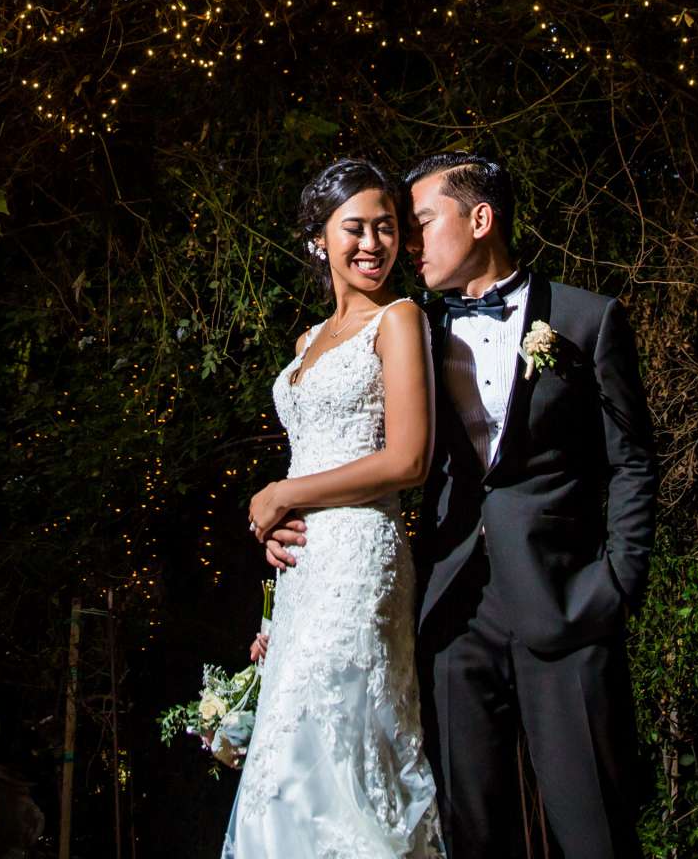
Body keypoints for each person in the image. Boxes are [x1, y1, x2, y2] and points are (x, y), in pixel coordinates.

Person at [267, 151, 655, 857]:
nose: (407, 247)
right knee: (469, 835)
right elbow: (351, 449)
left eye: (418, 225)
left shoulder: (586, 320)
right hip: (451, 614)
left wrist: (619, 581)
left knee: (595, 828)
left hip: (565, 604)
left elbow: (631, 461)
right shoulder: (411, 331)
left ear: (480, 219)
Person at [227, 158, 442, 857]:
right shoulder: (305, 343)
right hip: (304, 567)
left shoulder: (400, 319)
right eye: (355, 228)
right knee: (289, 749)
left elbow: (407, 459)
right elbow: (312, 456)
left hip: (361, 559)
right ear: (319, 238)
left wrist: (286, 493)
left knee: (338, 748)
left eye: (386, 228)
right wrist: (279, 521)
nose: (372, 244)